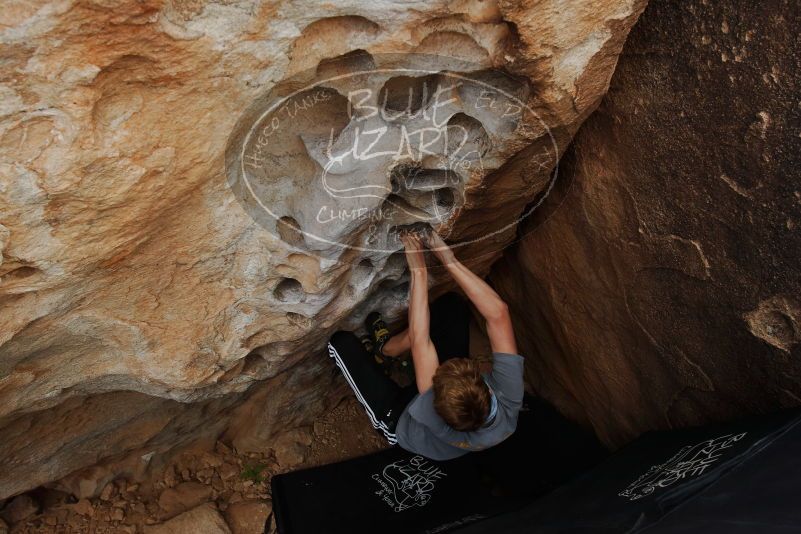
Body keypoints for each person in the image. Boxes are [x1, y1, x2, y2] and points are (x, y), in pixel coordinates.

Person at [327, 229, 524, 461]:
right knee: (452, 307)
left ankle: (383, 359)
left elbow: (422, 339)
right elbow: (498, 313)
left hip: (399, 419)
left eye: (436, 377)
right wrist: (447, 258)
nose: (439, 368)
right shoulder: (508, 397)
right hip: (446, 399)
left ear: (435, 400)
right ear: (488, 390)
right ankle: (388, 349)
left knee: (340, 343)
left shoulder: (434, 416)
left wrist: (418, 270)